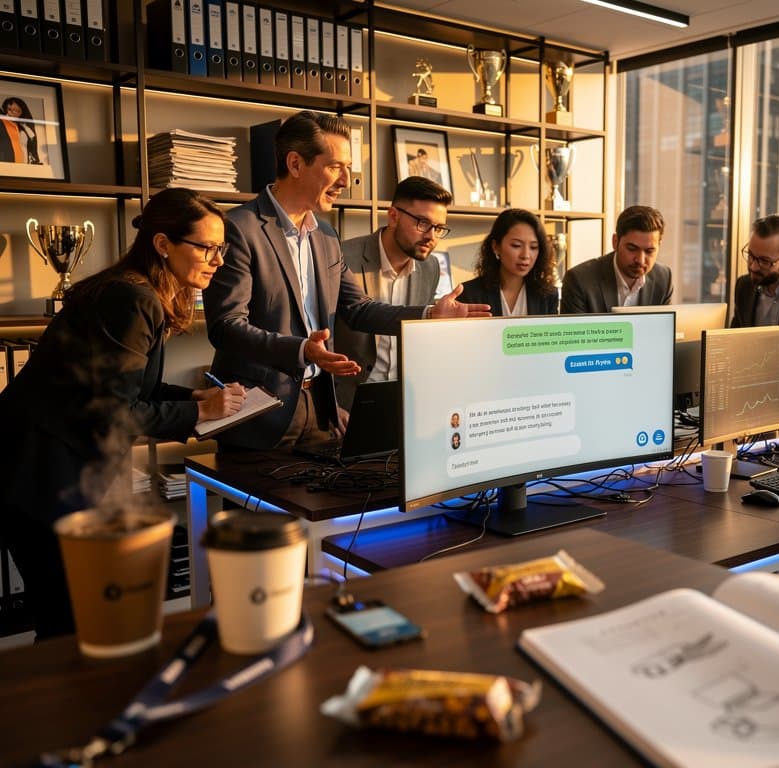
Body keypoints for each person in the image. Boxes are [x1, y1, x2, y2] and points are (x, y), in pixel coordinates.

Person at [0, 188, 247, 639]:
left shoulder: (132, 290)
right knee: (71, 623)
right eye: (206, 248)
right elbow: (114, 413)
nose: (217, 260)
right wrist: (198, 413)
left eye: (221, 249)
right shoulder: (133, 299)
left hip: (44, 467)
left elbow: (130, 389)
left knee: (74, 618)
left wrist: (195, 397)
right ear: (163, 244)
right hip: (42, 474)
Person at [204, 111, 488, 451]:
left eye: (348, 168)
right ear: (295, 164)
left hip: (319, 412)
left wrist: (429, 315)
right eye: (335, 167)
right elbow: (226, 326)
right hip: (259, 414)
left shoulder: (325, 234)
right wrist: (301, 350)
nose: (345, 180)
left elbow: (358, 309)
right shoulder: (239, 228)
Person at [335, 176, 451, 416]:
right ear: (394, 216)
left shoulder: (430, 267)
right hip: (347, 402)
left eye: (439, 228)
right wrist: (329, 405)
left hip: (402, 399)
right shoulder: (343, 257)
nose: (431, 236)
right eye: (422, 223)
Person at [560, 205, 672, 314]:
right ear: (615, 242)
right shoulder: (579, 280)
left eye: (649, 251)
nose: (640, 260)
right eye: (632, 249)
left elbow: (665, 326)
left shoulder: (663, 278)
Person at [458, 209, 558, 316]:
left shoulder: (547, 295)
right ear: (496, 246)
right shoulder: (470, 293)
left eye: (533, 247)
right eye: (516, 245)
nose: (525, 255)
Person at [1, 96, 41, 164]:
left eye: (17, 111)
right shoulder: (3, 124)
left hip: (24, 161)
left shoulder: (24, 127)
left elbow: (32, 140)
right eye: (10, 109)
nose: (13, 113)